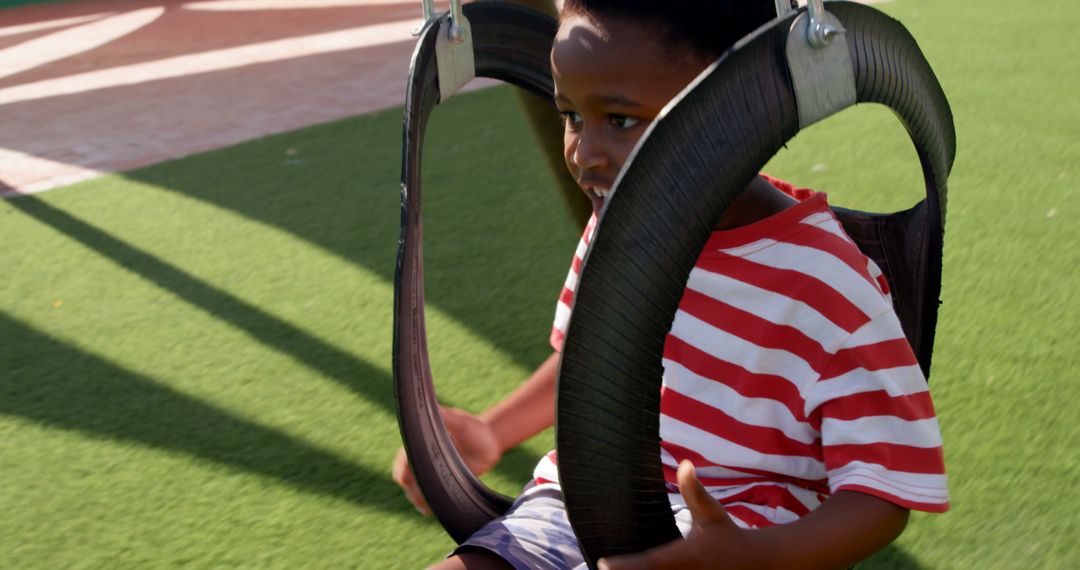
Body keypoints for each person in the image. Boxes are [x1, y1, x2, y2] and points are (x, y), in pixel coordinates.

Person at [392, 1, 949, 568]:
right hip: (578, 506)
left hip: (740, 531)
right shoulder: (619, 226)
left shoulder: (825, 281)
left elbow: (884, 492)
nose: (584, 153)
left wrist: (759, 556)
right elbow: (597, 365)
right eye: (572, 115)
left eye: (622, 120)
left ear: (742, 114)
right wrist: (493, 429)